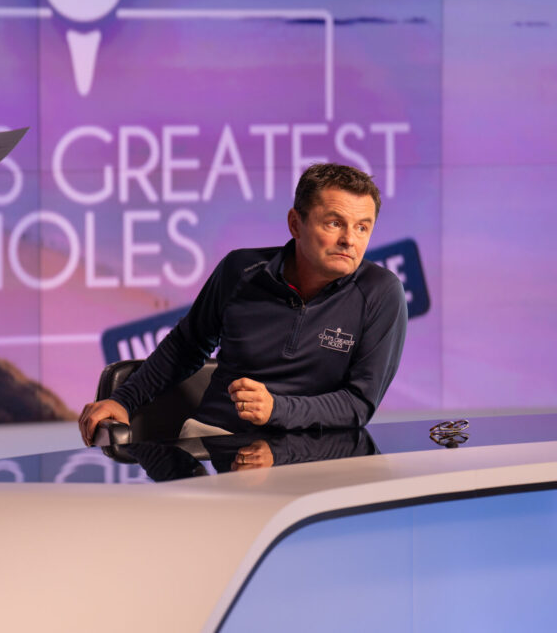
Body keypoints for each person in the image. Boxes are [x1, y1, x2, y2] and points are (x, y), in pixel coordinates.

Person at [79, 163, 407, 445]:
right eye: (334, 223)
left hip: (316, 453)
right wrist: (123, 400)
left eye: (362, 227)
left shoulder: (381, 292)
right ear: (296, 224)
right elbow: (185, 347)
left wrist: (277, 410)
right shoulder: (241, 270)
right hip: (214, 439)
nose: (349, 240)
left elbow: (358, 404)